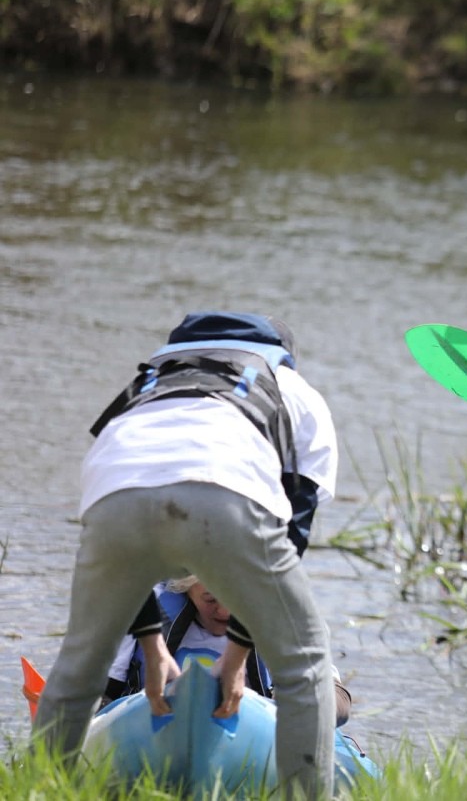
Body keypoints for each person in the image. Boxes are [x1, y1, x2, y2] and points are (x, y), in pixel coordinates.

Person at [32, 311, 339, 799]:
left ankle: (41, 790)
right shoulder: (292, 389)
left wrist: (150, 645)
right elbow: (292, 533)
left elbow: (114, 494)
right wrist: (239, 651)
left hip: (114, 500)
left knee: (80, 665)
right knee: (306, 663)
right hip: (226, 497)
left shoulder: (145, 387)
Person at [102, 576, 353, 728]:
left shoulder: (287, 616)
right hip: (152, 722)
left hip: (254, 726)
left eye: (235, 600)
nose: (224, 613)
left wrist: (296, 704)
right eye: (210, 599)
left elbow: (339, 702)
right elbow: (101, 695)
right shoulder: (145, 611)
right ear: (184, 588)